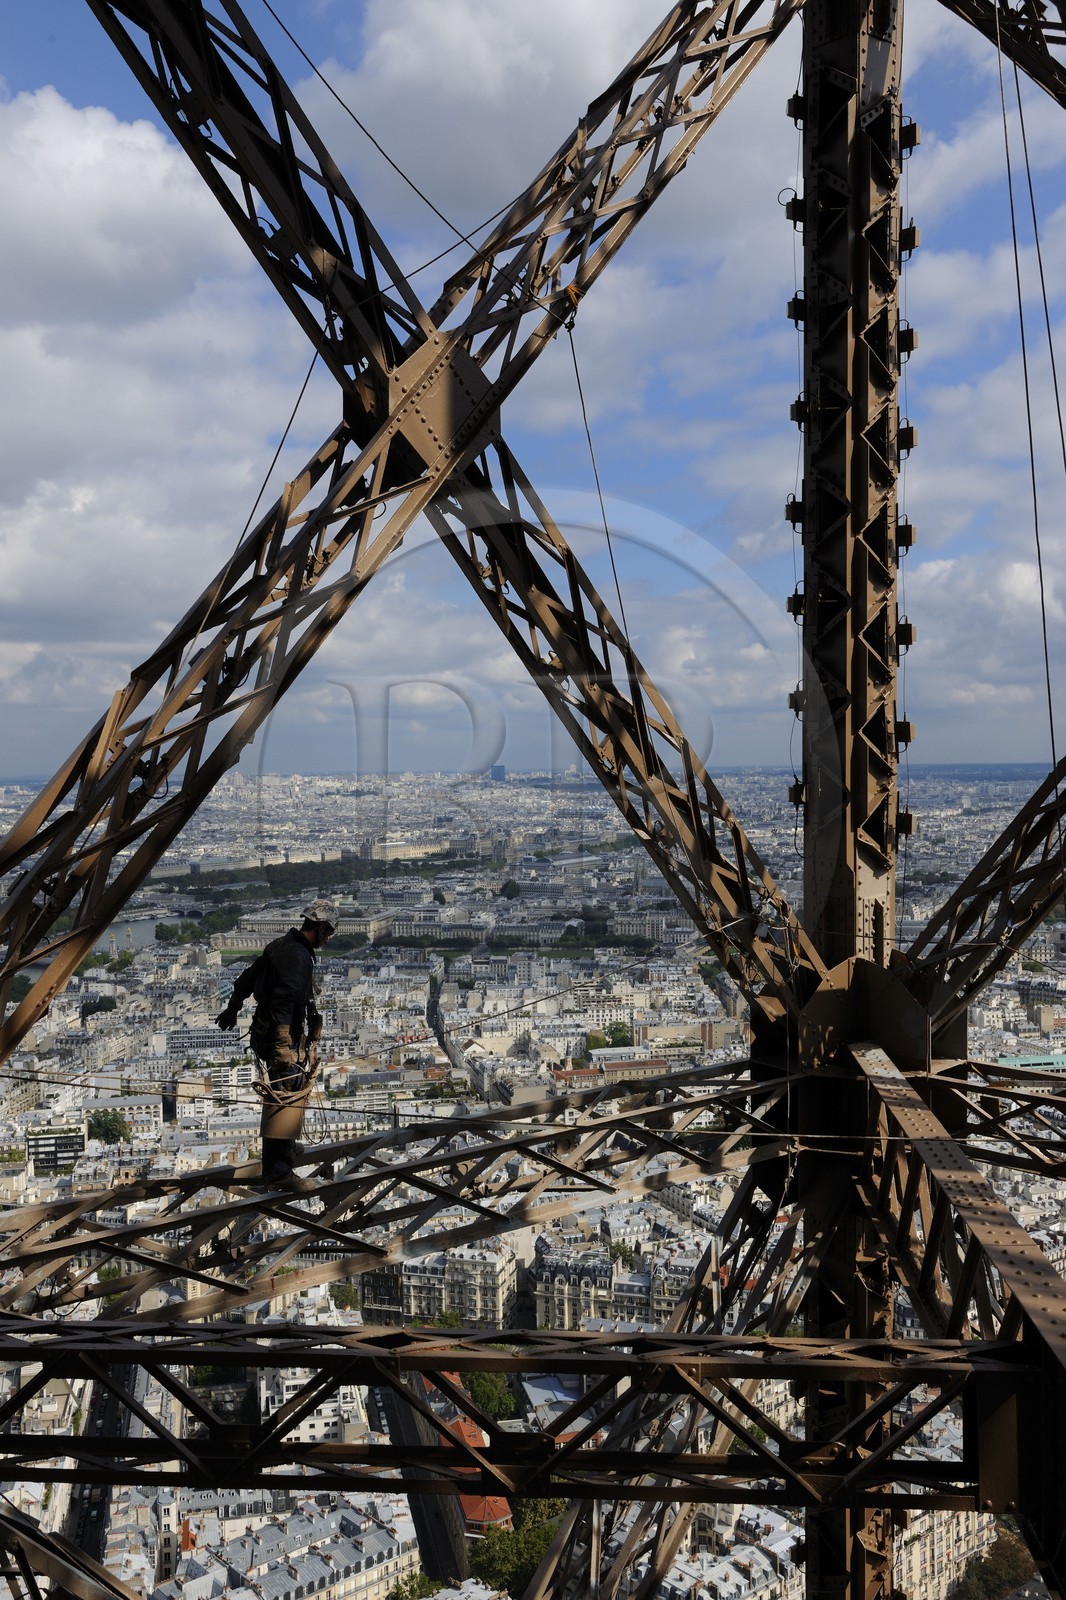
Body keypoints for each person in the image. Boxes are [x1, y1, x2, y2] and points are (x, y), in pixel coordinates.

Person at [216, 898, 338, 1192]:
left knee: (287, 1090)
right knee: (286, 1094)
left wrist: (232, 1009)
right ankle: (278, 1169)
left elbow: (246, 978)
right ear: (321, 928)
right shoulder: (298, 957)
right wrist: (286, 1043)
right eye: (329, 932)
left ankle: (284, 1150)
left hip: (267, 1031)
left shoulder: (280, 945)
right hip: (281, 1035)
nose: (329, 938)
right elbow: (284, 1000)